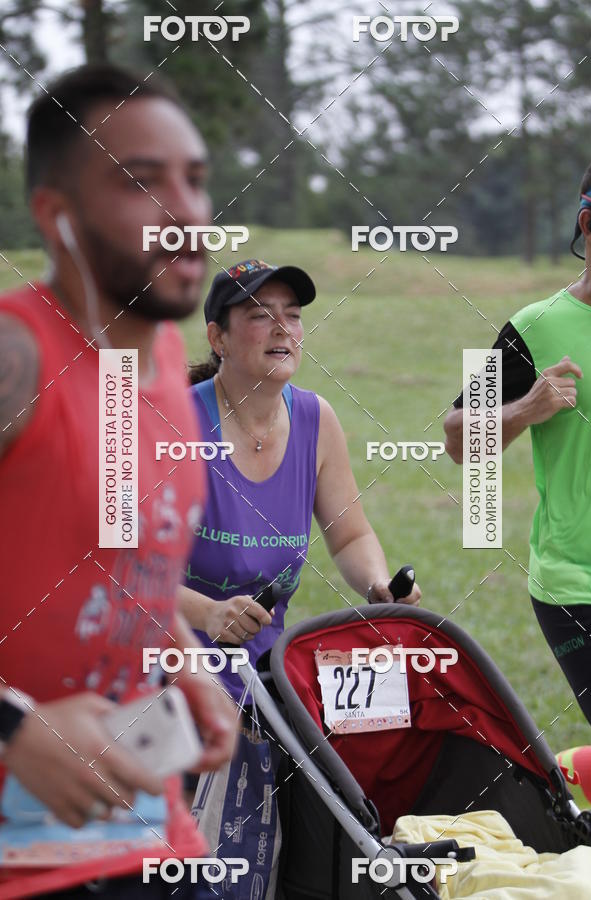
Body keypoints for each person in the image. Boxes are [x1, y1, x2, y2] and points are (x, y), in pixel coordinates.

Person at [0, 64, 237, 898]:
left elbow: (118, 556)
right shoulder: (14, 360)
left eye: (197, 180)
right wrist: (11, 728)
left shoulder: (157, 361)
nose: (187, 213)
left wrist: (188, 668)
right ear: (57, 216)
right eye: (142, 182)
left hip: (139, 837)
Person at [177, 257, 421, 896]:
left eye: (292, 315)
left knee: (373, 739)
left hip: (266, 669)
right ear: (218, 337)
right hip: (167, 659)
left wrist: (376, 586)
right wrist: (207, 614)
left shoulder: (316, 419)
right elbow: (115, 570)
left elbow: (350, 532)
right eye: (259, 315)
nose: (282, 328)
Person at [443, 158, 591, 738]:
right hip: (581, 587)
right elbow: (459, 437)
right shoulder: (535, 328)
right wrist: (526, 409)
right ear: (590, 224)